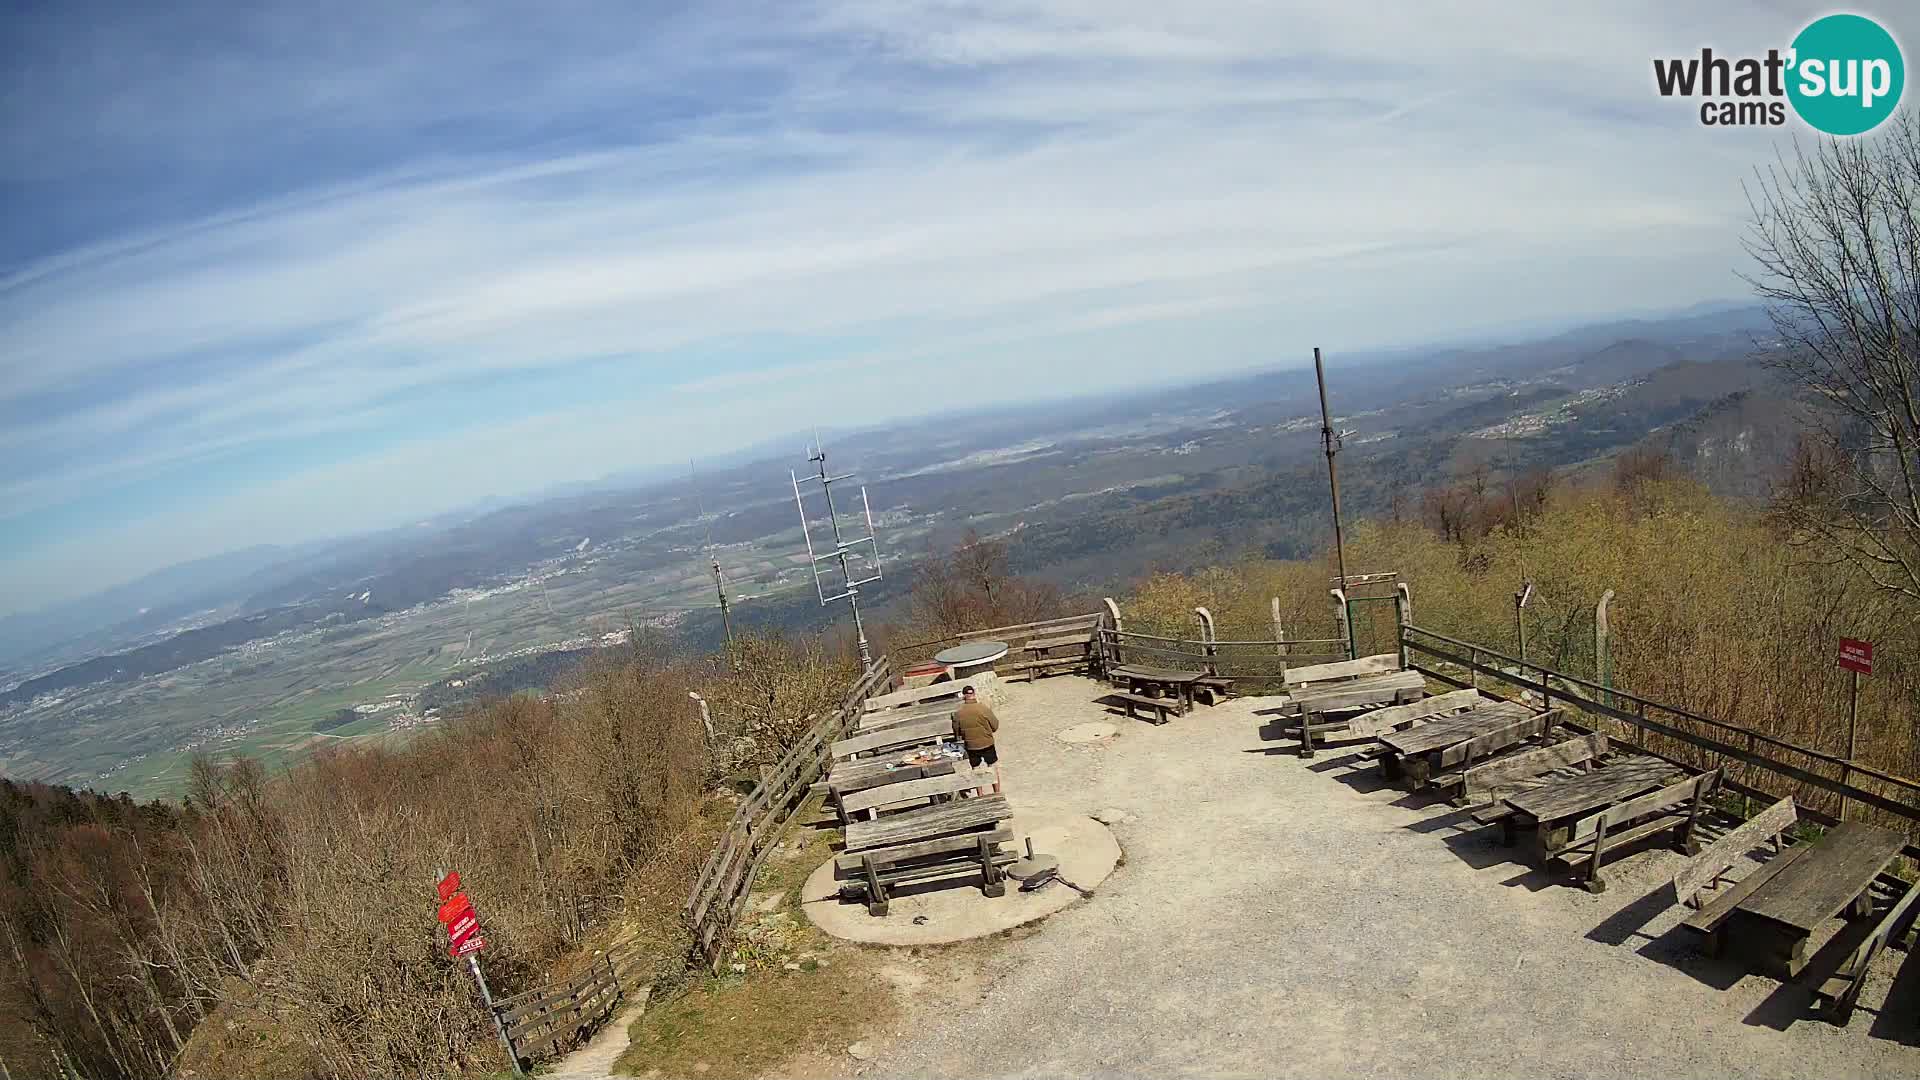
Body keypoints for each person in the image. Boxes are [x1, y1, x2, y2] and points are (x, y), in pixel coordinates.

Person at [950, 684, 1002, 795]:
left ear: (964, 696)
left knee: (976, 769)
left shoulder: (958, 713)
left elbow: (956, 732)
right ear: (974, 694)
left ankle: (980, 794)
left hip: (971, 745)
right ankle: (997, 793)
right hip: (987, 742)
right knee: (992, 767)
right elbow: (995, 725)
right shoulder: (983, 708)